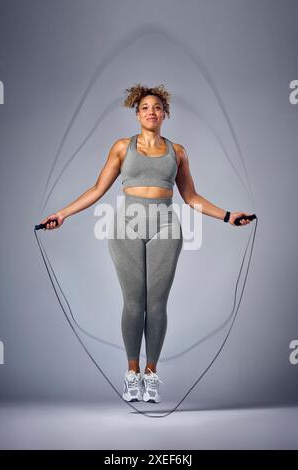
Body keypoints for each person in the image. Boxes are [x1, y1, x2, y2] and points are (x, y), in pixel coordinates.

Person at [40, 83, 254, 403]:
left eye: (156, 107)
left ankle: (151, 375)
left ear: (164, 113)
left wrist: (226, 216)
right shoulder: (121, 147)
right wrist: (62, 213)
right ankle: (131, 373)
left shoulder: (177, 151)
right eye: (145, 108)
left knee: (156, 304)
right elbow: (97, 189)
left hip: (166, 227)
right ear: (137, 113)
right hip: (126, 226)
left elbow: (191, 197)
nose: (151, 111)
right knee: (133, 302)